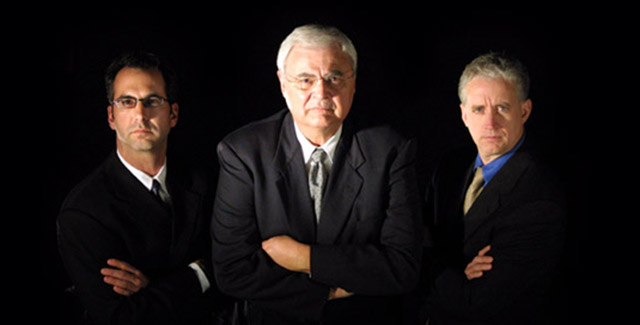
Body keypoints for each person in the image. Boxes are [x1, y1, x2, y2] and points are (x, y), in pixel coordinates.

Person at [211, 24, 423, 325]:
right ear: (283, 84)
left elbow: (403, 267)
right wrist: (328, 291)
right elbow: (232, 271)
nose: (320, 92)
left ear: (353, 83)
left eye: (334, 77)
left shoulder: (391, 150)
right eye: (305, 80)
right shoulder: (242, 152)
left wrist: (304, 258)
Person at [57, 51, 232, 324]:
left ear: (172, 114)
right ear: (111, 117)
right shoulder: (83, 212)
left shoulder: (210, 179)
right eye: (127, 102)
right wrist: (200, 273)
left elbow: (239, 274)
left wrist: (154, 288)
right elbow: (120, 316)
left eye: (152, 101)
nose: (140, 114)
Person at [421, 53, 567, 324]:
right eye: (479, 110)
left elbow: (473, 303)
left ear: (524, 111)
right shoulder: (449, 168)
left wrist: (424, 261)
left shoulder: (539, 199)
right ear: (464, 114)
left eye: (502, 108)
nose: (490, 123)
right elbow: (418, 234)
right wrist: (452, 268)